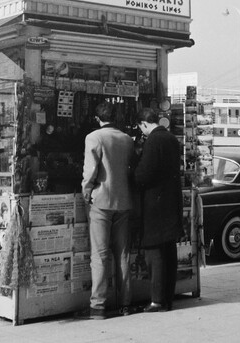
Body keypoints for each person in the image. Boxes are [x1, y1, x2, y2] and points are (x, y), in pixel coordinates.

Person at [82, 101, 135, 320]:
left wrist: (86, 192)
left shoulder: (93, 137)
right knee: (123, 255)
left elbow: (90, 170)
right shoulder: (126, 139)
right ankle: (125, 304)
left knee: (100, 255)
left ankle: (98, 306)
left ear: (97, 118)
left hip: (101, 202)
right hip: (124, 202)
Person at [134, 107, 184, 313]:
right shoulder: (172, 139)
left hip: (156, 204)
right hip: (172, 201)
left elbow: (144, 175)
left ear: (144, 124)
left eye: (141, 128)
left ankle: (156, 300)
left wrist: (133, 173)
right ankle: (168, 298)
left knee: (154, 253)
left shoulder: (153, 141)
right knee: (169, 251)